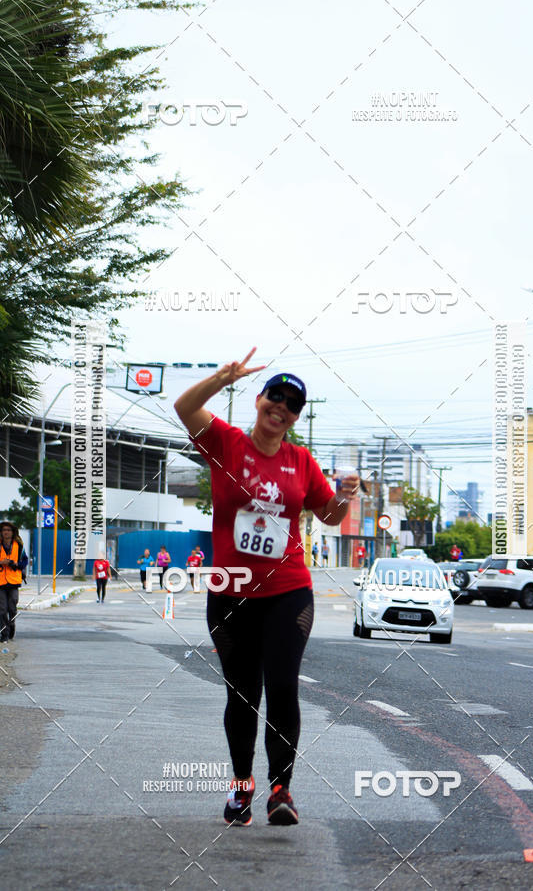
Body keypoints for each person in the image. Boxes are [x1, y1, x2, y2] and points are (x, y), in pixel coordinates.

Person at [175, 350, 359, 827]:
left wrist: (344, 494)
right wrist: (222, 377)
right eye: (274, 397)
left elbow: (329, 515)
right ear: (258, 400)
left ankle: (282, 790)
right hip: (230, 591)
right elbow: (184, 408)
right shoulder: (227, 443)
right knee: (241, 694)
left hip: (288, 591)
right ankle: (241, 790)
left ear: (297, 416)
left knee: (282, 688)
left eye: (292, 404)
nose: (281, 407)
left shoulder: (301, 461)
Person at [0, 521, 26, 642]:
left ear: (12, 532)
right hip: (0, 582)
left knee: (12, 608)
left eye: (8, 530)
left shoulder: (19, 545)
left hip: (14, 581)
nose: (6, 532)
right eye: (4, 530)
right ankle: (4, 634)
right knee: (2, 609)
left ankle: (11, 626)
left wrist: (14, 564)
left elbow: (24, 562)